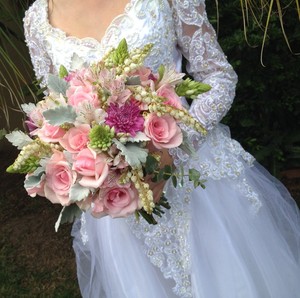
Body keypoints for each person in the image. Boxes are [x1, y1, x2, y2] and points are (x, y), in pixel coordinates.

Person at [23, 0, 300, 297]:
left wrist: (173, 151)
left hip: (201, 189)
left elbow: (219, 78)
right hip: (120, 209)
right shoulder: (39, 19)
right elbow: (57, 113)